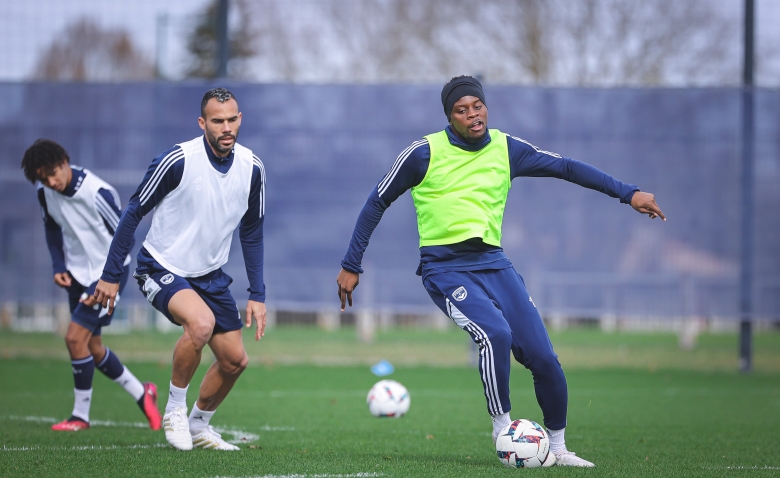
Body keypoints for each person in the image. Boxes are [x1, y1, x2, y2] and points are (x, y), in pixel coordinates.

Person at [336, 76, 666, 468]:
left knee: (544, 358)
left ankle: (559, 449)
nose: (472, 114)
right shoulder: (423, 153)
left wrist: (628, 193)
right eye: (462, 110)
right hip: (445, 270)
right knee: (495, 334)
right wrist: (351, 264)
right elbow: (376, 201)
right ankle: (503, 430)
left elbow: (566, 167)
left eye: (477, 106)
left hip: (494, 264)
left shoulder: (507, 148)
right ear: (449, 117)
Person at [93, 87, 267, 451]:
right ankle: (174, 408)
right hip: (161, 266)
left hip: (210, 275)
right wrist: (110, 276)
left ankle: (199, 426)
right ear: (202, 123)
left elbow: (252, 231)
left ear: (240, 119)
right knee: (200, 324)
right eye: (217, 121)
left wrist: (257, 294)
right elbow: (133, 212)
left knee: (235, 361)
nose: (226, 128)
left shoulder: (252, 168)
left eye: (231, 120)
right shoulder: (177, 160)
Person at [21, 139, 162, 432]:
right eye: (43, 179)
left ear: (64, 162)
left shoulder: (97, 193)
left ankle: (80, 416)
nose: (51, 182)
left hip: (107, 277)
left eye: (52, 174)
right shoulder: (45, 192)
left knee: (74, 339)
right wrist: (58, 266)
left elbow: (126, 239)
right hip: (76, 275)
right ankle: (143, 392)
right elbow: (51, 226)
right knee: (92, 347)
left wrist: (105, 281)